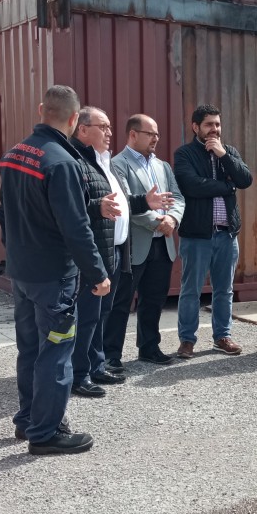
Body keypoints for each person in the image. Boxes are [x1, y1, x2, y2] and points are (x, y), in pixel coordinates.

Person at [0, 85, 109, 455]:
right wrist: (97, 274)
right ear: (75, 119)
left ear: (42, 108)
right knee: (56, 351)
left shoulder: (16, 154)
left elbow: (4, 213)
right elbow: (74, 226)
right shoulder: (62, 162)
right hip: (54, 276)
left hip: (23, 272)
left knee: (30, 348)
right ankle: (45, 433)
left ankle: (28, 420)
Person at [68, 107, 167, 394]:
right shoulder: (77, 162)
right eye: (103, 127)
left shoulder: (104, 162)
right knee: (87, 315)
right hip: (93, 253)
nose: (110, 133)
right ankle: (79, 374)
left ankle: (97, 365)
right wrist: (96, 207)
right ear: (83, 129)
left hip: (116, 250)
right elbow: (70, 209)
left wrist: (144, 202)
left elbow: (120, 204)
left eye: (110, 127)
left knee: (102, 312)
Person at [173, 104, 253, 359]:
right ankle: (187, 340)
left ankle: (222, 336)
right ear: (196, 127)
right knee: (191, 290)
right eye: (209, 124)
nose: (214, 129)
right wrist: (226, 187)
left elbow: (245, 180)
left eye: (217, 124)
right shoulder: (185, 154)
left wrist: (224, 156)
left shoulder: (228, 152)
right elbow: (192, 186)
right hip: (198, 235)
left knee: (224, 289)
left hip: (227, 234)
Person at [106, 114, 186, 367]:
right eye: (150, 134)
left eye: (157, 134)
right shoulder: (118, 164)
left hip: (162, 244)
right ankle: (111, 355)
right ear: (133, 134)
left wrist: (172, 220)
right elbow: (126, 202)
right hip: (134, 246)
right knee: (122, 302)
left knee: (154, 299)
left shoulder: (163, 166)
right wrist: (157, 223)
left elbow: (179, 197)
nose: (156, 138)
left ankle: (149, 348)